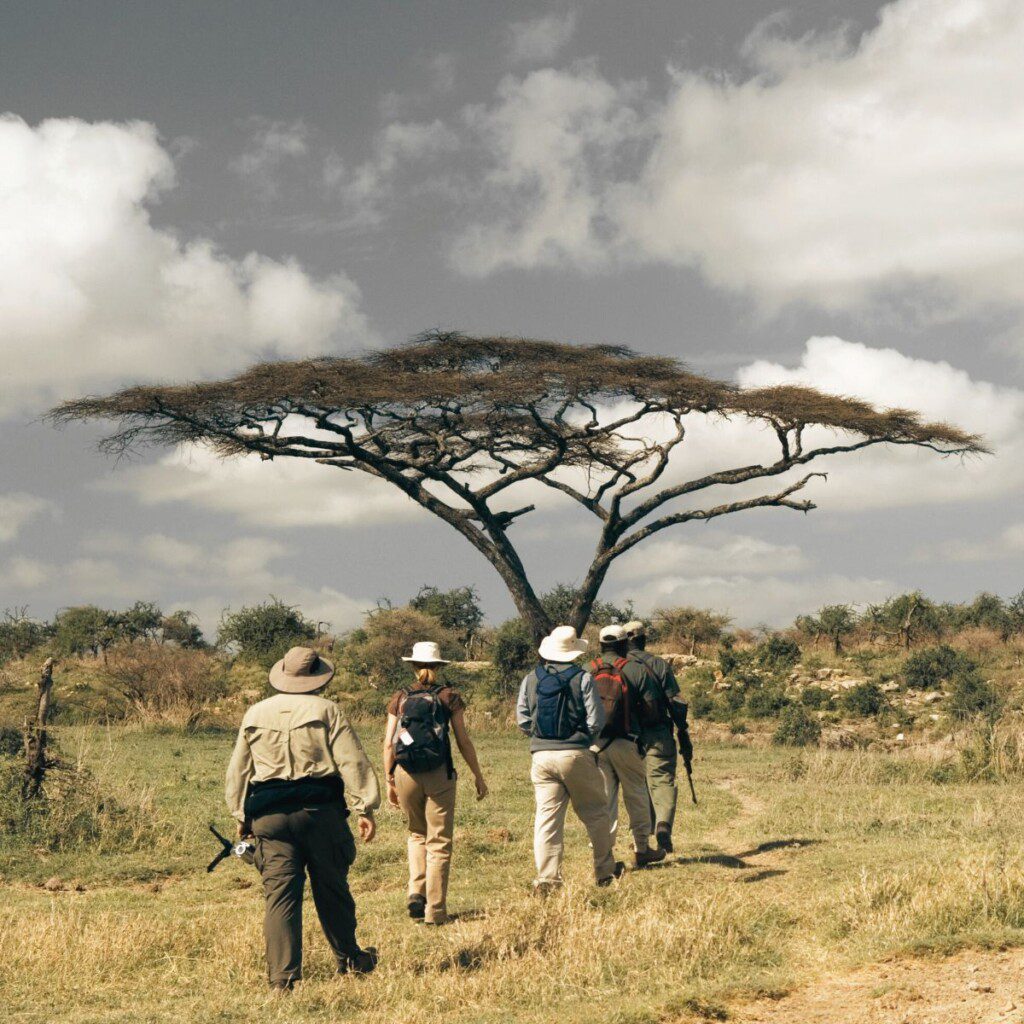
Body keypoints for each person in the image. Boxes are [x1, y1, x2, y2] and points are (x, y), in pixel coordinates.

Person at [225, 646, 381, 991]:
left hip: (269, 816)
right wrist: (364, 808)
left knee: (280, 896)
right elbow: (352, 761)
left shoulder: (256, 712)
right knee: (332, 889)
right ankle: (350, 960)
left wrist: (240, 814)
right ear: (317, 678)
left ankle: (282, 979)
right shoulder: (328, 710)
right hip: (319, 813)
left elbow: (239, 768)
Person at [383, 640, 488, 926]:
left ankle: (416, 891)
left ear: (414, 666)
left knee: (417, 834)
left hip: (406, 772)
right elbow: (463, 740)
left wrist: (389, 779)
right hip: (439, 772)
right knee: (439, 842)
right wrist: (478, 775)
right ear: (439, 667)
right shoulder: (448, 696)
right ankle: (436, 911)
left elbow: (389, 742)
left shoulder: (400, 697)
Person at [516, 624, 623, 892]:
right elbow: (596, 719)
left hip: (541, 756)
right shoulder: (583, 677)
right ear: (574, 651)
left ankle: (548, 879)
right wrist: (583, 741)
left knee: (547, 819)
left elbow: (522, 719)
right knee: (596, 813)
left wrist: (539, 736)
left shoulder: (531, 678)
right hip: (575, 753)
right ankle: (604, 871)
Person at [590, 624, 667, 868]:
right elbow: (651, 710)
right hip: (627, 741)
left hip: (596, 745)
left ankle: (603, 853)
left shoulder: (587, 670)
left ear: (601, 645)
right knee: (636, 794)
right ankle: (642, 848)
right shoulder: (635, 670)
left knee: (604, 799)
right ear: (624, 645)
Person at [623, 619, 691, 853]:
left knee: (636, 786)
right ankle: (663, 825)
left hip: (626, 736)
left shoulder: (619, 666)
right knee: (661, 780)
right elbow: (675, 700)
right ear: (644, 639)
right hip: (658, 731)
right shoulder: (659, 664)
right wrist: (682, 729)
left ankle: (642, 837)